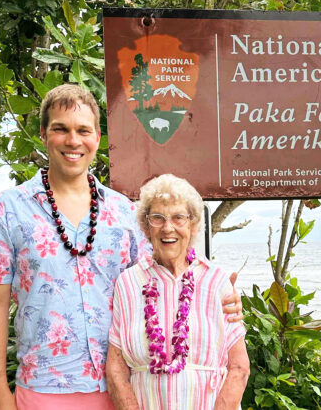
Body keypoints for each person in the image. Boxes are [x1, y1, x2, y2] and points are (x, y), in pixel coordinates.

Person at [0, 84, 243, 409]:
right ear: (43, 134)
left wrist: (219, 298)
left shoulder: (125, 213)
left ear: (97, 137)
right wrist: (0, 393)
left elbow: (162, 278)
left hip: (122, 390)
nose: (73, 141)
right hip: (42, 389)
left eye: (83, 130)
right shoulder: (7, 209)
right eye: (61, 129)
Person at [106, 174, 250, 410]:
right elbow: (116, 368)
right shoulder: (128, 283)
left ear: (192, 225)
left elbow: (239, 367)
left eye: (178, 218)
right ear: (146, 225)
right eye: (157, 218)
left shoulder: (216, 281)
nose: (167, 228)